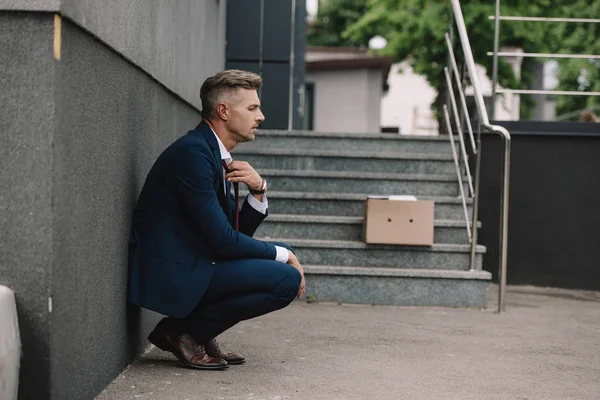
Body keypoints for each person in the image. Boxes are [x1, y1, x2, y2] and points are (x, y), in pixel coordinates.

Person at [127, 69, 305, 370]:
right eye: (252, 108)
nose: (260, 116)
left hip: (196, 260)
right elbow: (225, 241)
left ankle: (198, 330)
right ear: (223, 110)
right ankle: (184, 332)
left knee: (278, 270)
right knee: (285, 279)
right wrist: (284, 253)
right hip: (173, 270)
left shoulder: (211, 153)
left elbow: (232, 234)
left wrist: (258, 191)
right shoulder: (194, 155)